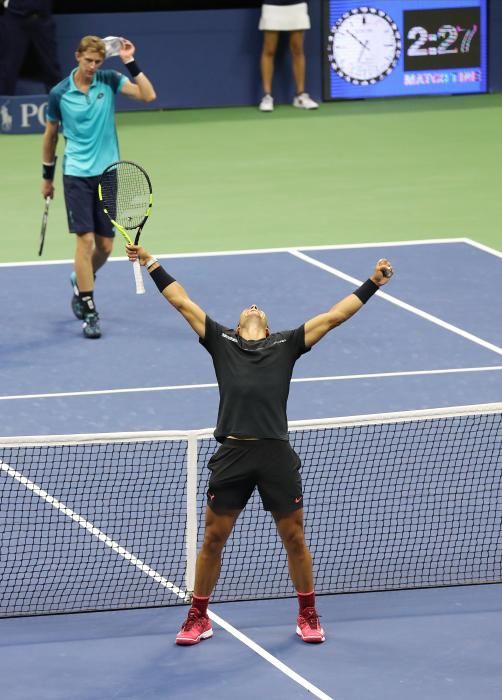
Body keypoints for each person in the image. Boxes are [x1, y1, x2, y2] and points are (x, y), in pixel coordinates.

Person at [125, 242, 394, 645]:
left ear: (266, 328)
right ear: (238, 326)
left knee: (294, 537)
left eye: (259, 310)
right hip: (232, 453)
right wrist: (149, 261)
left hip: (274, 454)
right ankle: (197, 616)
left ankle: (308, 612)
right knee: (213, 538)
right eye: (247, 309)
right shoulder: (221, 341)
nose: (253, 306)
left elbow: (335, 316)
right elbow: (182, 302)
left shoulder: (286, 344)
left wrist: (372, 283)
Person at [41, 35, 156, 339]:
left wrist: (130, 61)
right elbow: (51, 135)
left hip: (108, 173)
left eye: (98, 62)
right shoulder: (59, 93)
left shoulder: (108, 80)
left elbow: (147, 96)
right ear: (77, 56)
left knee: (106, 245)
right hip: (76, 173)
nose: (92, 67)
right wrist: (47, 177)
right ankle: (89, 308)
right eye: (88, 60)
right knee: (85, 240)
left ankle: (80, 280)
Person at [258, 1, 318, 112]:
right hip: (272, 4)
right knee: (269, 50)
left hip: (297, 4)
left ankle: (300, 96)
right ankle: (267, 97)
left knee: (297, 50)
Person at [0, 0, 62, 95]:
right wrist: (7, 2)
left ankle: (58, 104)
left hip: (43, 17)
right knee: (8, 67)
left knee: (51, 67)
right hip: (15, 18)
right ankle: (3, 106)